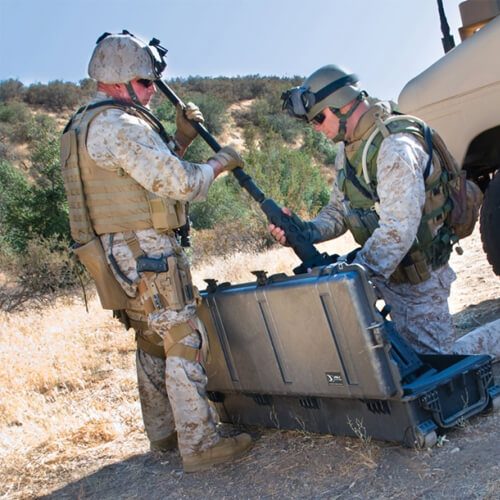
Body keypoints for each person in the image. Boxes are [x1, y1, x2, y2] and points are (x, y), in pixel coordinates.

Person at [61, 31, 252, 472]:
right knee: (183, 338)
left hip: (115, 251)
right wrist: (220, 162)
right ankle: (201, 445)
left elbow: (145, 178)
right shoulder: (119, 125)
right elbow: (181, 184)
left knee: (150, 338)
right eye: (146, 84)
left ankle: (163, 433)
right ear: (120, 81)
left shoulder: (86, 124)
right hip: (142, 248)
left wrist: (181, 139)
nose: (151, 93)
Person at [272, 64, 498, 359]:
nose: (315, 128)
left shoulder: (394, 147)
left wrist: (353, 275)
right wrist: (306, 231)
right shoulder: (349, 149)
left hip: (420, 277)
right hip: (386, 271)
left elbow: (398, 230)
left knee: (442, 365)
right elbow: (339, 210)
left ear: (340, 104)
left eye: (318, 118)